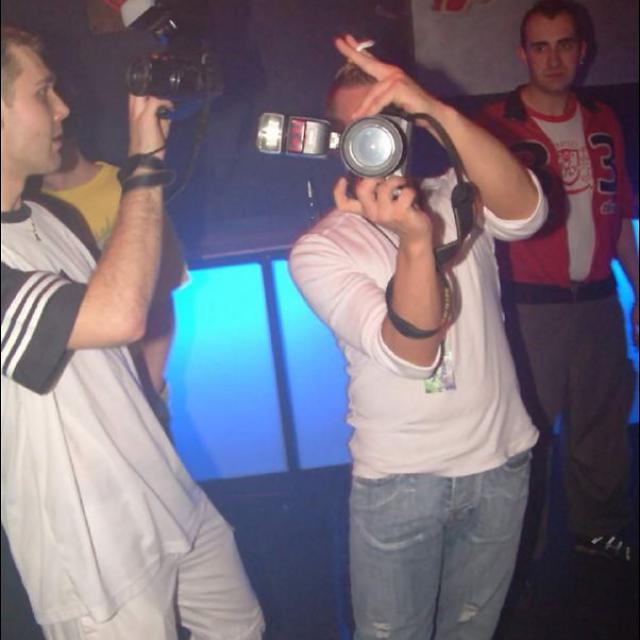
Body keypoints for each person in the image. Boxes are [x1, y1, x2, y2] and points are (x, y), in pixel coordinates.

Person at [1, 26, 264, 640]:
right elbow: (118, 314)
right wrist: (145, 165)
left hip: (165, 492)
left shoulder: (50, 217)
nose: (63, 108)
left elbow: (128, 327)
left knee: (243, 629)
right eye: (42, 92)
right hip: (93, 545)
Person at [289, 35, 548, 640]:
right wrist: (413, 240)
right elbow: (412, 352)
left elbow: (528, 213)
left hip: (499, 462)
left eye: (389, 116)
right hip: (400, 481)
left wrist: (435, 109)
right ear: (339, 141)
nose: (376, 137)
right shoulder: (320, 248)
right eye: (359, 126)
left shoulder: (457, 195)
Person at [477, 0, 638, 569]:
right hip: (529, 306)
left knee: (602, 426)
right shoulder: (494, 124)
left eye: (564, 45)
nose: (553, 58)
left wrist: (638, 289)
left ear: (581, 51)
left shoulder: (601, 118)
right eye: (540, 47)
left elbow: (618, 215)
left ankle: (597, 532)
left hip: (596, 299)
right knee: (527, 433)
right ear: (523, 54)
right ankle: (520, 553)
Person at [39, 129, 186, 428]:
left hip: (139, 396)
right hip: (79, 409)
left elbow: (161, 301)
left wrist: (148, 393)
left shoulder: (130, 188)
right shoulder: (32, 210)